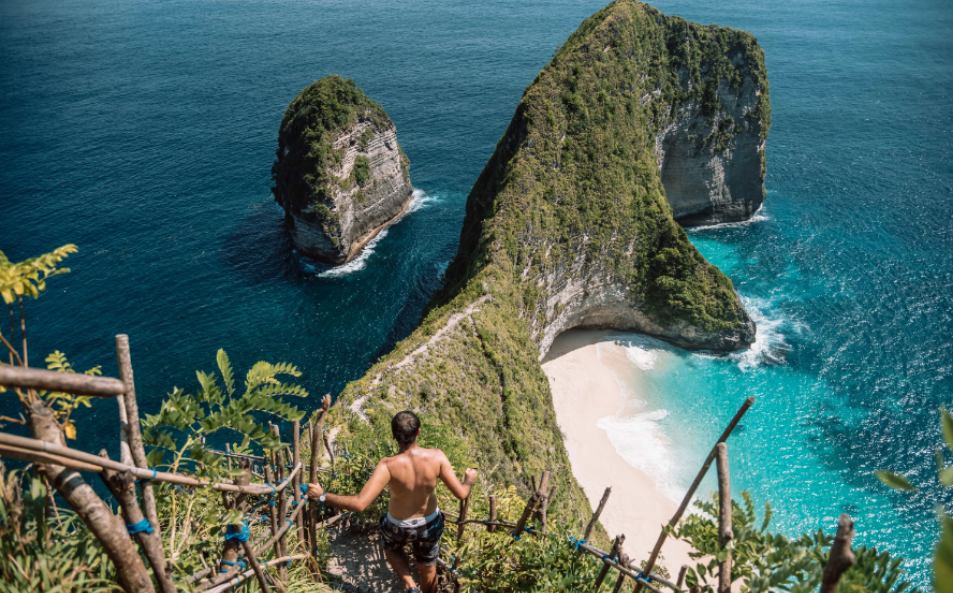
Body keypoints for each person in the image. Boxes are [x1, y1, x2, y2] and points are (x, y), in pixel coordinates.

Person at [306, 410, 478, 593]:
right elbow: (461, 493)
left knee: (392, 549)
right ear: (418, 431)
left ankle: (411, 586)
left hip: (398, 525)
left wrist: (323, 495)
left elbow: (360, 503)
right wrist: (469, 480)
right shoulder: (437, 457)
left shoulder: (387, 465)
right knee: (428, 568)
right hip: (429, 524)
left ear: (394, 435)